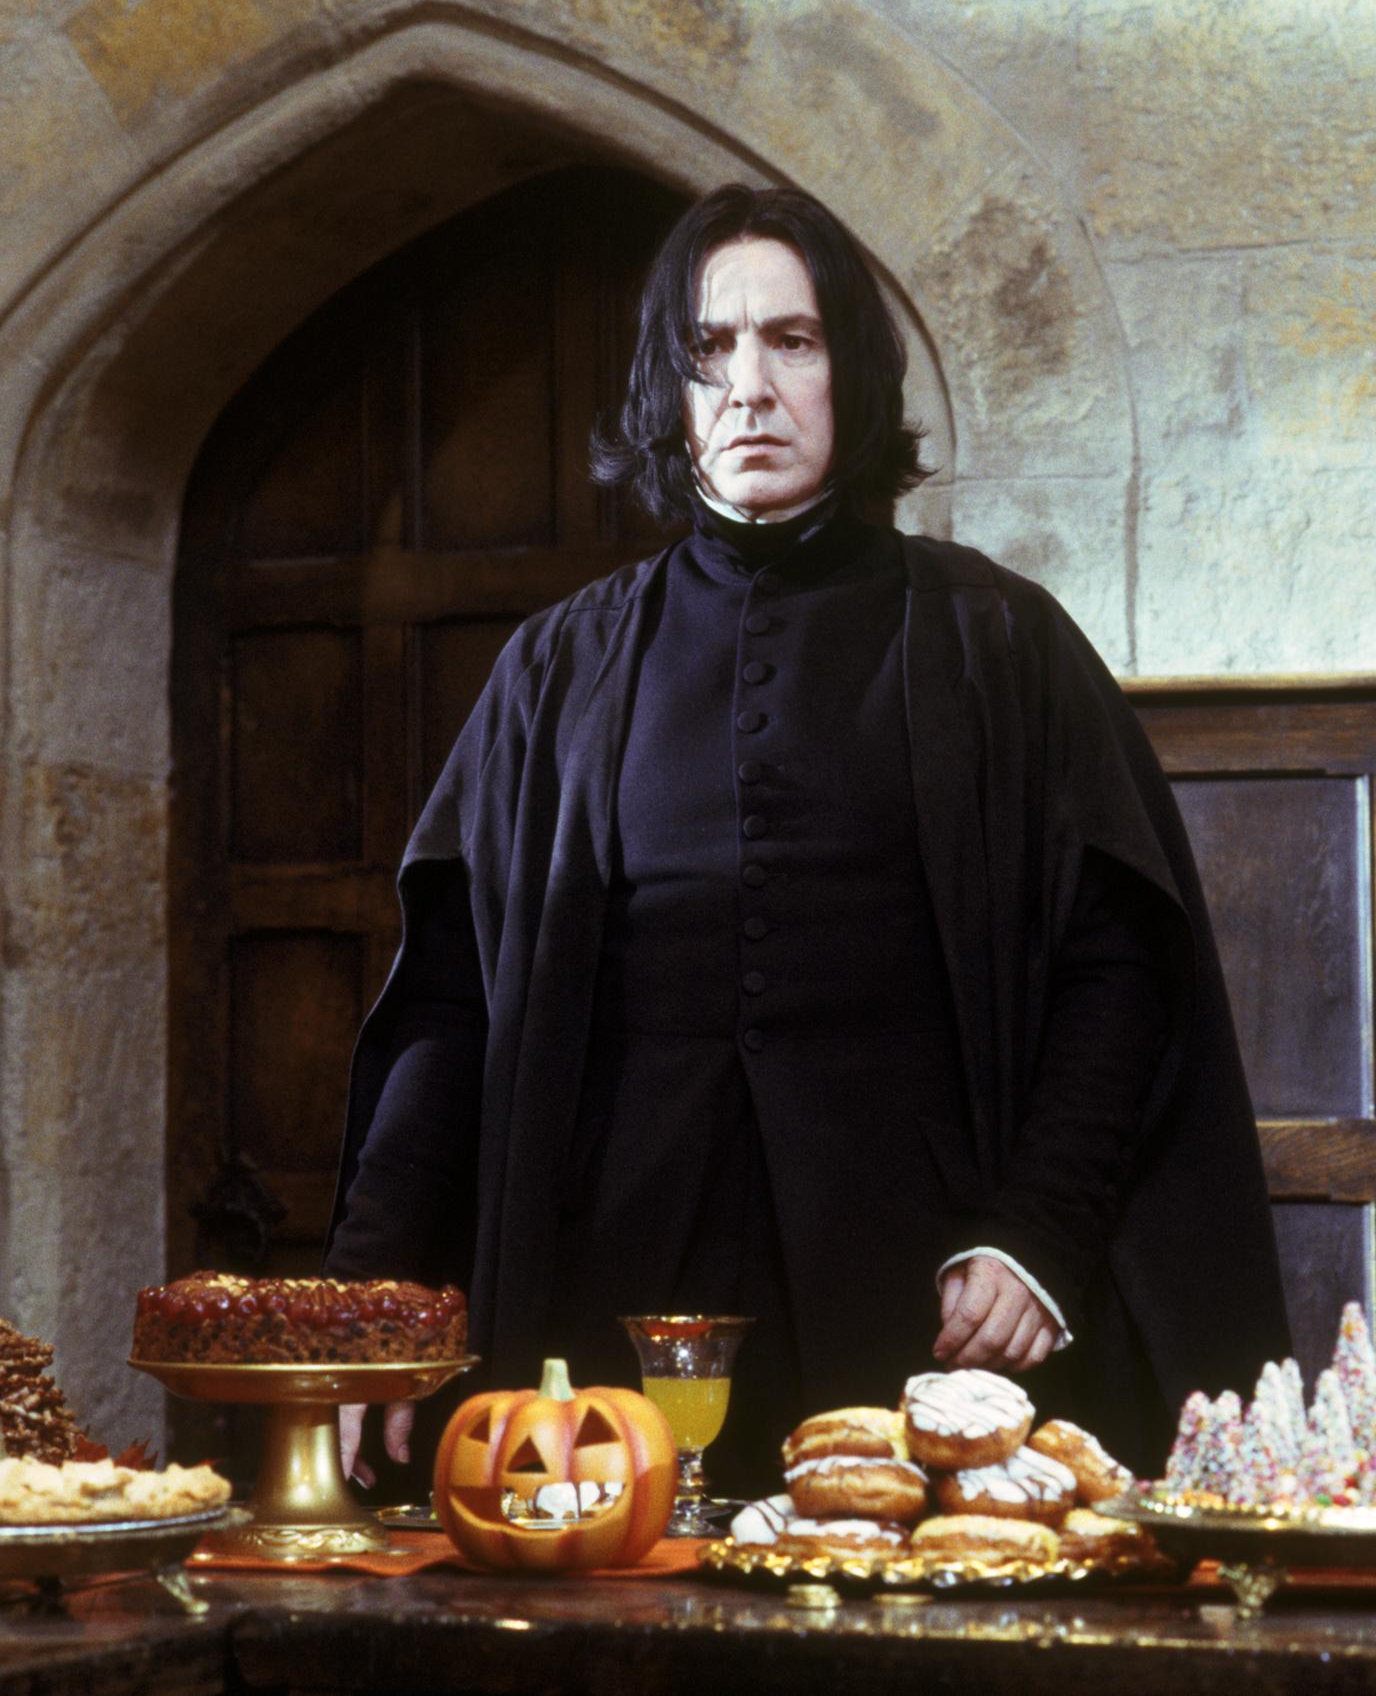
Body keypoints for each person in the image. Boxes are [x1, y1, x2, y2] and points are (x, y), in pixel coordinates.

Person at [327, 184, 1288, 1492]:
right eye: (709, 350)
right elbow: (452, 1000)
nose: (750, 390)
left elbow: (1120, 969)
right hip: (612, 1290)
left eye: (793, 341)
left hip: (926, 1303)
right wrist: (374, 1287)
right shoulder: (559, 670)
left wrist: (1038, 1236)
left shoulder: (999, 642)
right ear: (668, 392)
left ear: (857, 374)